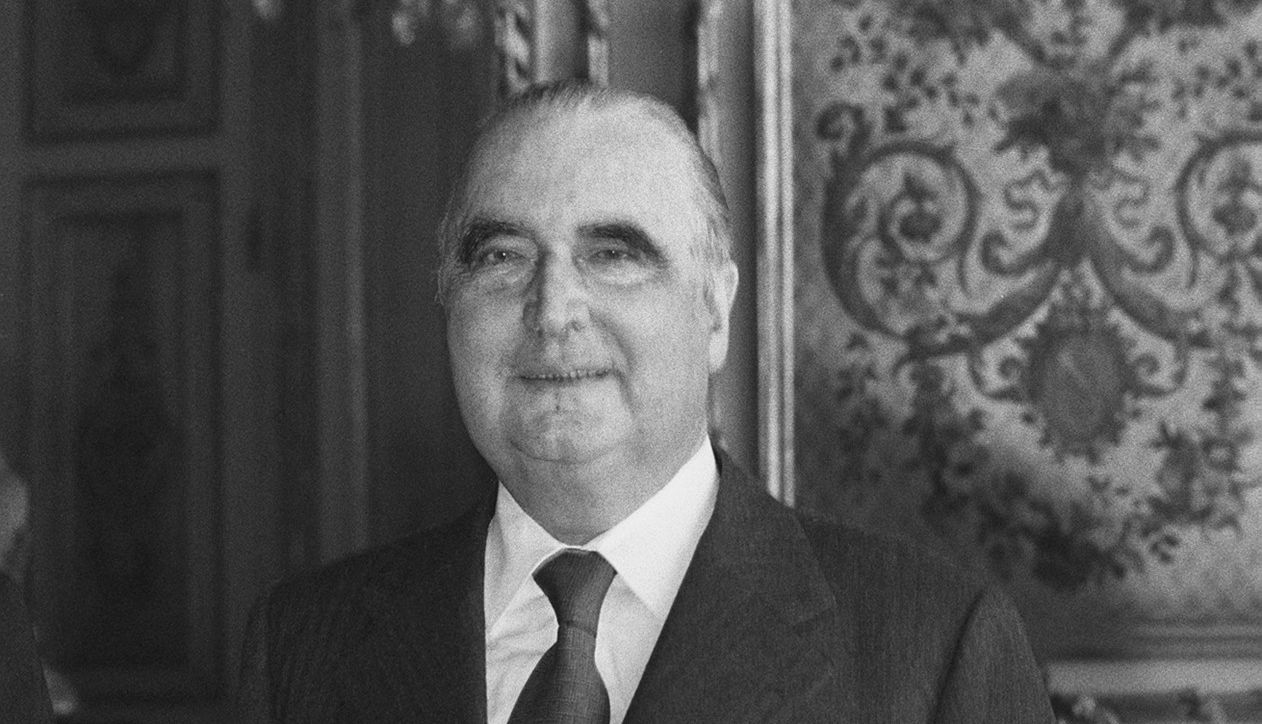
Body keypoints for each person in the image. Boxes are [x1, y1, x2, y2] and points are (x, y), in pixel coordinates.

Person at [237, 81, 1055, 723]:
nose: (552, 310)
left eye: (613, 254)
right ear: (446, 304)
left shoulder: (933, 652)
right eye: (501, 256)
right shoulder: (305, 648)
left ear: (715, 309)